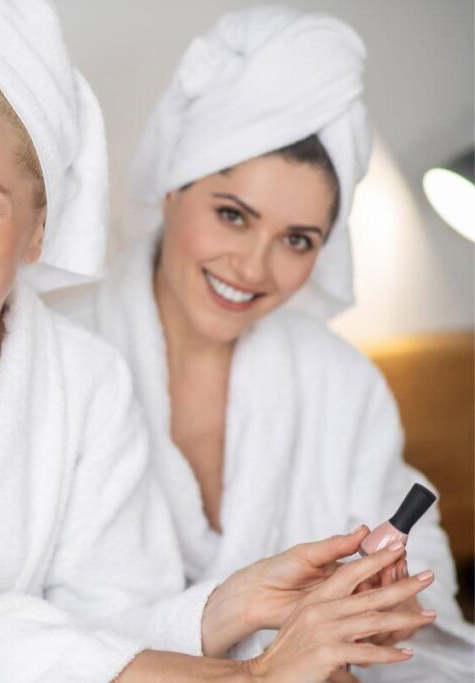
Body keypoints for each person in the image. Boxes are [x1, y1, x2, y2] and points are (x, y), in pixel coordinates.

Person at [0, 2, 434, 681]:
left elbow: (113, 615)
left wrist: (228, 606)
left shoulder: (85, 376)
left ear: (40, 229)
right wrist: (246, 677)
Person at [48, 6, 474, 681]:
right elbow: (28, 629)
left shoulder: (341, 382)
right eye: (231, 215)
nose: (252, 268)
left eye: (297, 239)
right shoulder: (52, 358)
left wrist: (381, 624)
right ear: (170, 188)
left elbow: (432, 625)